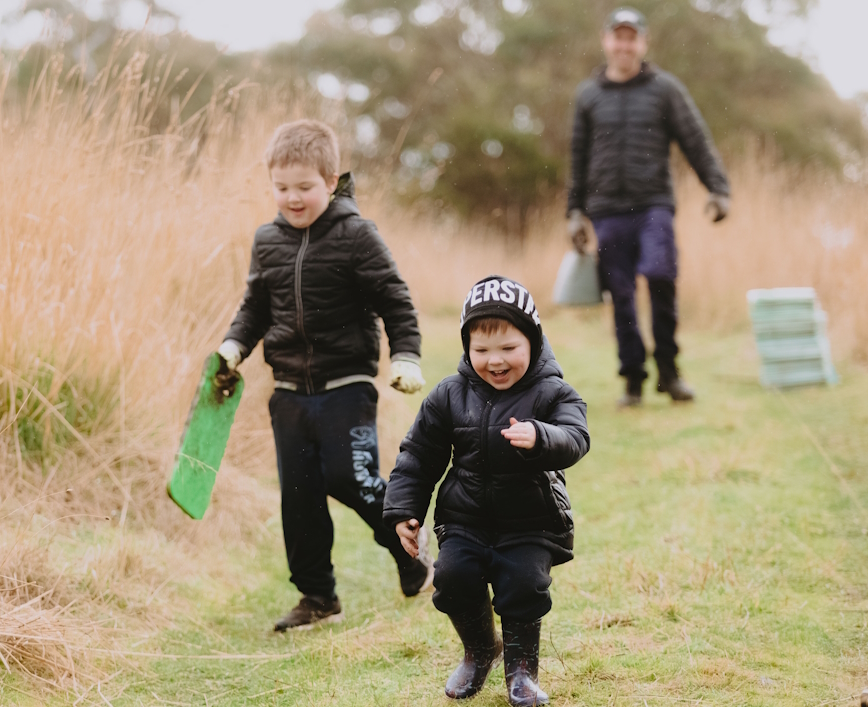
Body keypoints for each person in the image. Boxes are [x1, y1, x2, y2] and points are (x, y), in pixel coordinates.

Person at [217, 119, 432, 632]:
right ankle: (317, 595)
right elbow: (255, 308)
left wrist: (406, 355)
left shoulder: (355, 234)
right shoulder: (267, 241)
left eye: (305, 187)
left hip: (346, 387)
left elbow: (394, 299)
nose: (292, 198)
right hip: (289, 393)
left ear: (331, 182)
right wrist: (233, 347)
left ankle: (413, 550)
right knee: (300, 494)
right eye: (282, 187)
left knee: (350, 478)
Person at [384, 276, 590, 704]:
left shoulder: (553, 392)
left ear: (532, 341)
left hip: (530, 519)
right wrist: (405, 509)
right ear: (467, 348)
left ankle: (521, 671)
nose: (495, 361)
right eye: (481, 350)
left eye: (508, 348)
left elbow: (575, 437)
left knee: (523, 585)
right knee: (452, 577)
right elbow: (419, 455)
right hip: (466, 519)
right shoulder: (449, 395)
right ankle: (480, 652)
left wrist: (542, 436)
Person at [567, 6, 731, 407]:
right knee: (620, 295)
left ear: (643, 42)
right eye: (618, 37)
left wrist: (717, 187)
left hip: (654, 205)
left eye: (631, 37)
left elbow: (695, 138)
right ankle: (634, 379)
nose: (624, 44)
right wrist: (573, 211)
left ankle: (670, 373)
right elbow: (577, 156)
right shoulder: (587, 96)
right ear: (607, 41)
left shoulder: (665, 89)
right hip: (605, 210)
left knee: (660, 277)